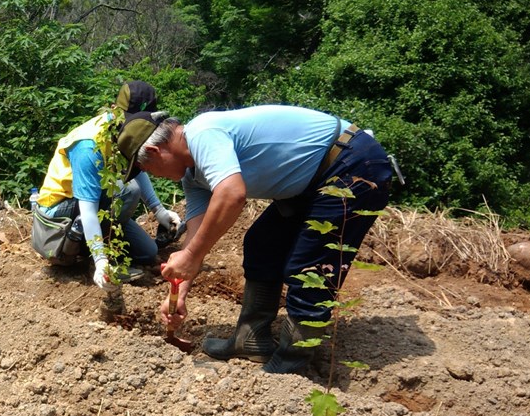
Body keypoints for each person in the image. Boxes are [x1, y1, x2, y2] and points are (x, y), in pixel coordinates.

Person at [118, 106, 391, 373]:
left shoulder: (202, 131)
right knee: (262, 244)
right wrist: (180, 291)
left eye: (145, 168)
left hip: (351, 166)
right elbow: (195, 240)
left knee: (310, 267)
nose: (151, 176)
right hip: (312, 182)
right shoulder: (192, 175)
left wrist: (189, 257)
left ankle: (292, 362)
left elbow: (232, 194)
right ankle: (251, 339)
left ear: (154, 151)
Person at [32, 81, 181, 290]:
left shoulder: (125, 134)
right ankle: (96, 260)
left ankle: (103, 245)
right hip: (60, 214)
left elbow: (134, 166)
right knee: (128, 191)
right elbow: (88, 210)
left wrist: (159, 210)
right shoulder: (89, 146)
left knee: (147, 252)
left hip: (98, 204)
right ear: (116, 111)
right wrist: (101, 259)